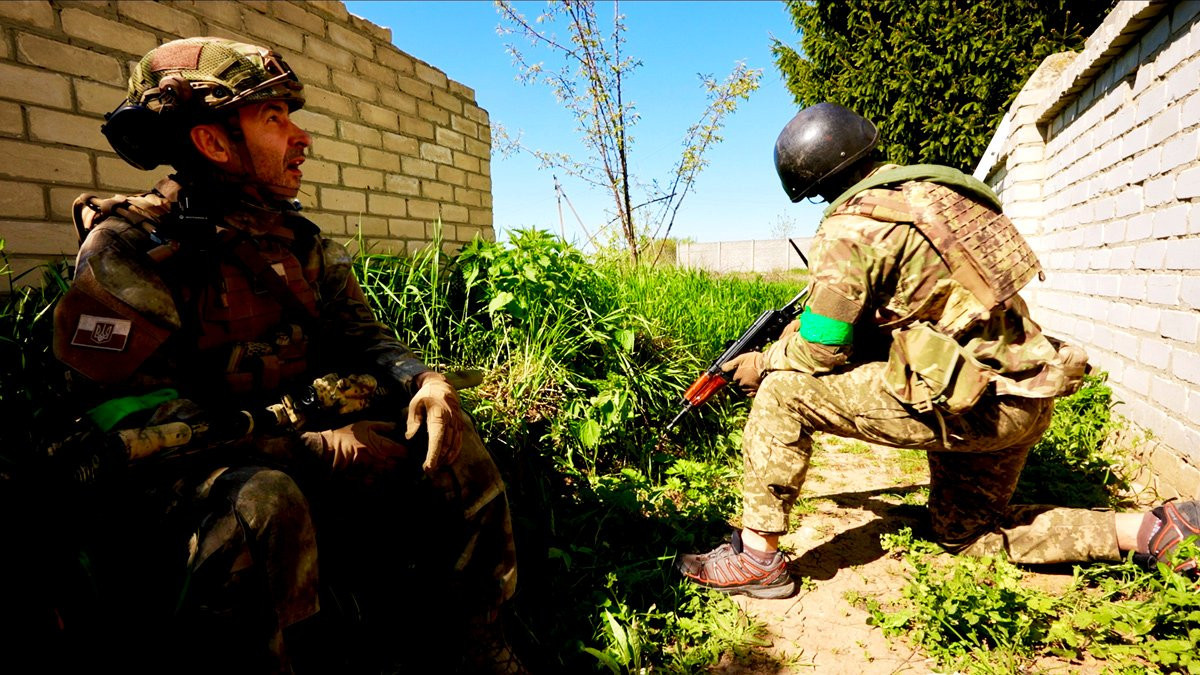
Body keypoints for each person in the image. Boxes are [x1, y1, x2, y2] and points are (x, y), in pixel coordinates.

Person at [50, 37, 522, 673]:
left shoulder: (299, 243)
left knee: (446, 436)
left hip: (297, 444)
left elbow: (366, 338)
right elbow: (124, 419)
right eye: (274, 118)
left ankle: (476, 643)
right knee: (263, 502)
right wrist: (315, 449)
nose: (301, 138)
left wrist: (426, 382)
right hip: (189, 487)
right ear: (213, 143)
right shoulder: (130, 249)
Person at [677, 102, 1199, 599]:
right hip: (1023, 392)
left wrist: (762, 362)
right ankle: (1152, 530)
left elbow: (821, 349)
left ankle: (756, 560)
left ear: (816, 185)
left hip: (973, 402)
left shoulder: (853, 226)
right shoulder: (944, 196)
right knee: (966, 537)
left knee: (784, 393)